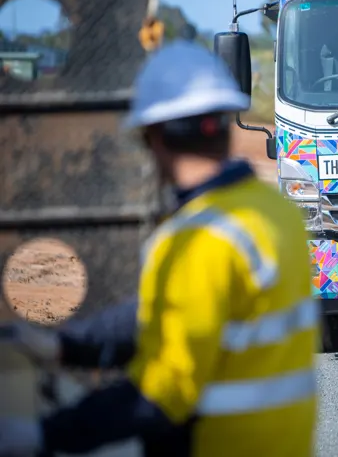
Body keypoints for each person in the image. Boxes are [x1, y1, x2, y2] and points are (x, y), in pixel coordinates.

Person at [0, 41, 319, 457]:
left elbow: (163, 393)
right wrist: (68, 345)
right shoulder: (277, 212)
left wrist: (45, 435)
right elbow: (172, 309)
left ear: (155, 137)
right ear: (225, 124)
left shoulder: (196, 239)